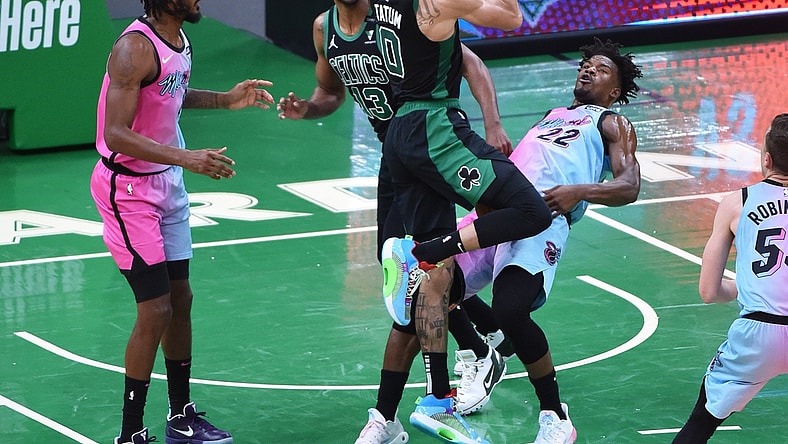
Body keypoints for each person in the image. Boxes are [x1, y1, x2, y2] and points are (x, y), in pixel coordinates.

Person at [366, 36, 644, 444]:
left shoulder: (610, 122)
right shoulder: (552, 115)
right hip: (496, 213)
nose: (588, 70)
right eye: (586, 65)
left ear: (615, 90)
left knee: (511, 311)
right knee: (423, 295)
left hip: (541, 224)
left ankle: (554, 416)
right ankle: (386, 420)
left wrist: (579, 192)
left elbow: (630, 185)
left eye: (601, 70)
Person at [275, 1, 511, 442]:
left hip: (428, 143)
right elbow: (329, 93)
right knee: (405, 275)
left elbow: (470, 62)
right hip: (393, 155)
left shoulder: (392, 15)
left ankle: (410, 405)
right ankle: (483, 343)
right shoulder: (323, 28)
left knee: (420, 273)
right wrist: (306, 109)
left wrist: (493, 123)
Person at [89, 1, 274, 443]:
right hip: (129, 191)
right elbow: (115, 132)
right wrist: (187, 157)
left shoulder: (178, 37)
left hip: (166, 184)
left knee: (180, 298)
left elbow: (168, 92)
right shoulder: (133, 48)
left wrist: (224, 100)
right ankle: (130, 433)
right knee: (155, 309)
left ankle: (181, 416)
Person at [372, 1, 552, 442]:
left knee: (436, 281)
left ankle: (435, 401)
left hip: (399, 135)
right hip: (436, 129)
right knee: (532, 211)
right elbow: (512, 17)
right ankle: (436, 249)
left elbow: (465, 56)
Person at [672, 113, 788, 443]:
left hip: (757, 332)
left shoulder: (737, 202)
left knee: (701, 422)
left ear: (766, 159)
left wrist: (749, 286)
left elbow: (709, 291)